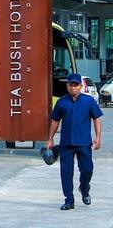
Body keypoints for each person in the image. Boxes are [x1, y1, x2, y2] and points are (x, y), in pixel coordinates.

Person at [46, 73, 103, 210]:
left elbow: (96, 119)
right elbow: (55, 121)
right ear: (67, 86)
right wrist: (50, 139)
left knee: (87, 170)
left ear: (80, 86)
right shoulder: (62, 102)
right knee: (66, 172)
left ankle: (84, 188)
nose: (73, 87)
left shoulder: (88, 101)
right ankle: (69, 200)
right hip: (66, 144)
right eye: (70, 85)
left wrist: (98, 137)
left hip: (84, 143)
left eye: (76, 85)